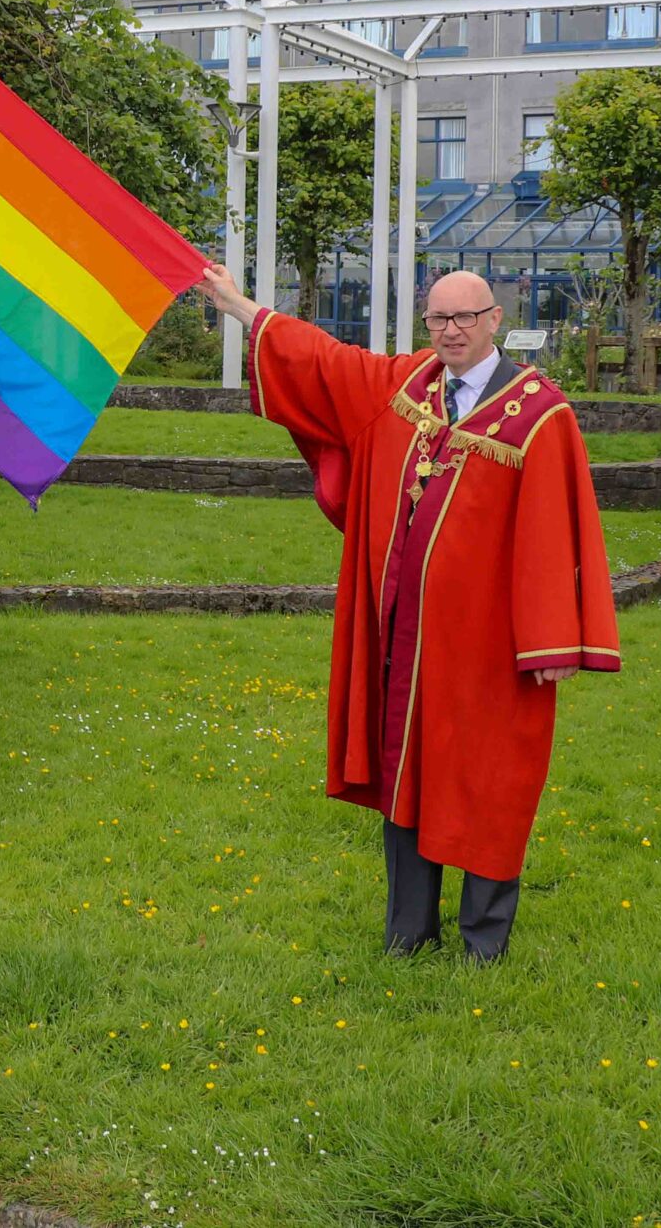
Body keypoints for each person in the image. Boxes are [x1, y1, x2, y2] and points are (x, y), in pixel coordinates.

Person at [195, 265, 618, 961]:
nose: (449, 331)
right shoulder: (407, 387)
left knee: (489, 782)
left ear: (493, 319)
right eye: (437, 319)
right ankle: (409, 933)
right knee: (406, 774)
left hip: (488, 649)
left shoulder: (540, 413)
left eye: (463, 317)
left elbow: (554, 531)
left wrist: (549, 646)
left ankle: (484, 944)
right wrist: (240, 305)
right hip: (406, 640)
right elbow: (325, 363)